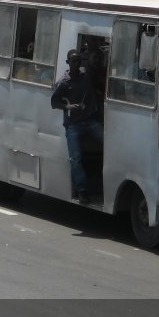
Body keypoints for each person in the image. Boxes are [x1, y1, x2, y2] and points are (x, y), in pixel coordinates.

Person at [51, 49, 103, 204]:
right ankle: (82, 191)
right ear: (68, 63)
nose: (77, 63)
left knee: (110, 145)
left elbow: (96, 68)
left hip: (90, 121)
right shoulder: (63, 82)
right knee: (76, 159)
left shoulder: (86, 75)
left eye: (79, 61)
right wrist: (67, 107)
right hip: (73, 125)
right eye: (73, 61)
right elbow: (54, 103)